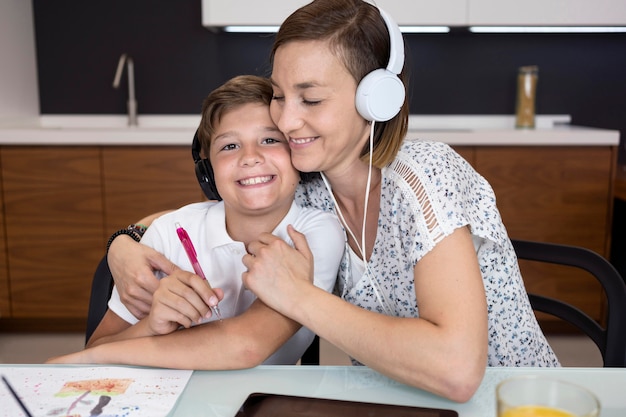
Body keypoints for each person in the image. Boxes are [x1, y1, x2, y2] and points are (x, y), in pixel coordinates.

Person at [106, 0, 559, 402]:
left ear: (376, 99)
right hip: (398, 402)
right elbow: (197, 214)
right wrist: (123, 245)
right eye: (281, 96)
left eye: (311, 98)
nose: (285, 119)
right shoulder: (311, 186)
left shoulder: (424, 175)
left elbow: (458, 371)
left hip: (514, 401)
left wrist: (298, 296)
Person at [47, 75, 345, 368]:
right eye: (229, 146)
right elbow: (99, 345)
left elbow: (245, 346)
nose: (250, 157)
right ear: (208, 171)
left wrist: (93, 359)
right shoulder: (167, 234)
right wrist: (153, 325)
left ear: (297, 153)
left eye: (269, 140)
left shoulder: (317, 233)